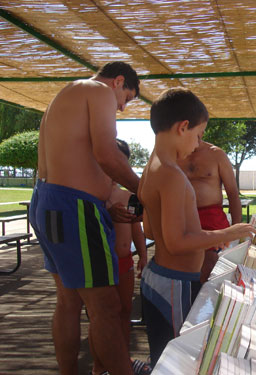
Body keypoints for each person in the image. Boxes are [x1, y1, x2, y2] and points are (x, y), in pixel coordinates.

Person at [29, 61, 140, 375]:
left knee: (68, 302)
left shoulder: (66, 94)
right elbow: (107, 154)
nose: (121, 106)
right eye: (127, 99)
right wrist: (144, 190)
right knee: (106, 306)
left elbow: (79, 158)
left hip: (46, 201)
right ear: (118, 81)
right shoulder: (98, 91)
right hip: (72, 206)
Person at [138, 88, 256, 367]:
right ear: (183, 127)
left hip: (160, 276)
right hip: (174, 283)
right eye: (197, 133)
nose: (198, 142)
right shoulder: (171, 176)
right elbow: (177, 242)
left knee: (162, 355)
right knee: (179, 361)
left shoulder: (151, 167)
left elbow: (151, 232)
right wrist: (231, 232)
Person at [90, 139, 151, 375]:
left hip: (125, 263)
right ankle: (99, 368)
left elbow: (136, 227)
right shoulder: (93, 194)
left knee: (125, 312)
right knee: (101, 317)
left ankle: (122, 362)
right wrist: (106, 212)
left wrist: (143, 257)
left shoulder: (126, 195)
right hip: (100, 264)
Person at [178, 140, 242, 283]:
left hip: (213, 223)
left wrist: (236, 231)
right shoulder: (172, 155)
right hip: (182, 223)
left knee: (209, 273)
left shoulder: (216, 154)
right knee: (185, 275)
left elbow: (232, 192)